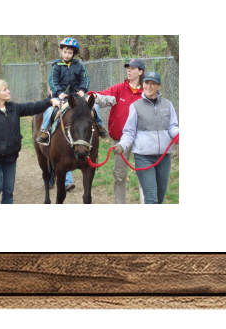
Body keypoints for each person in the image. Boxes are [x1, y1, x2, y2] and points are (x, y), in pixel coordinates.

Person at [36, 37, 107, 191]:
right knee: (50, 110)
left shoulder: (78, 66)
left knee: (95, 108)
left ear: (74, 54)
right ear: (61, 51)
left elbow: (85, 79)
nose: (67, 54)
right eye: (65, 51)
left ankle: (100, 126)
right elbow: (53, 81)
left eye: (70, 52)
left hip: (77, 96)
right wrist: (59, 92)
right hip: (61, 96)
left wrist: (83, 90)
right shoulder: (56, 66)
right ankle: (44, 131)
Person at [0, 79, 59, 204]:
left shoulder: (14, 108)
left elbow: (33, 107)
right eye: (5, 90)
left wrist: (49, 101)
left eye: (7, 89)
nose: (8, 91)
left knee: (8, 190)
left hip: (11, 157)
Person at [114, 71, 179, 204]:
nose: (149, 86)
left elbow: (172, 126)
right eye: (146, 83)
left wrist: (178, 133)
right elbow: (129, 132)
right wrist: (122, 145)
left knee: (159, 198)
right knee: (151, 198)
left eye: (153, 84)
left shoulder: (168, 104)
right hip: (144, 157)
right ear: (143, 84)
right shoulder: (136, 106)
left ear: (159, 86)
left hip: (164, 157)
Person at [88, 58, 146, 204]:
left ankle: (147, 203)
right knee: (119, 175)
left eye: (133, 68)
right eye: (128, 67)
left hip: (143, 140)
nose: (129, 70)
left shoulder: (147, 91)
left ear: (140, 72)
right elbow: (104, 97)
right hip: (121, 140)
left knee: (145, 175)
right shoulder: (119, 89)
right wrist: (93, 97)